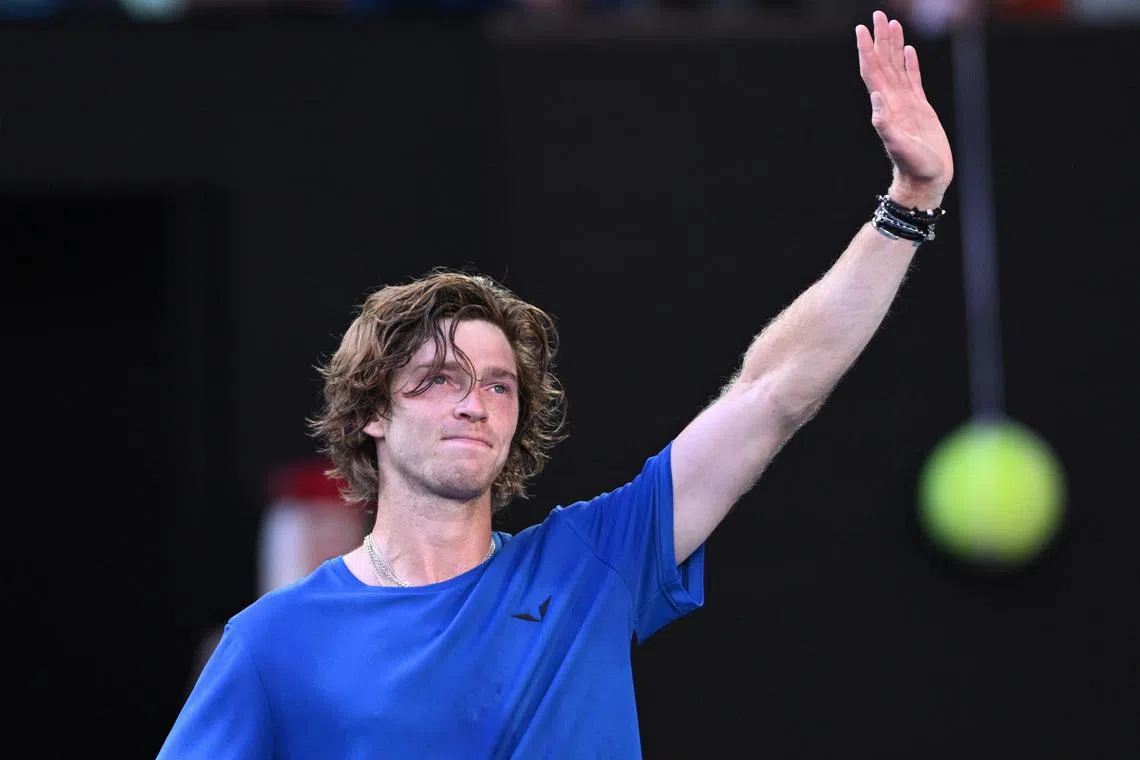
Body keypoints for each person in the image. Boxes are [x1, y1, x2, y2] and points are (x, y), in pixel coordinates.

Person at [157, 10, 954, 758]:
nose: (475, 401)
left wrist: (909, 203)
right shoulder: (273, 642)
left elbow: (772, 393)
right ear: (372, 411)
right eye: (439, 379)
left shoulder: (592, 564)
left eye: (500, 386)